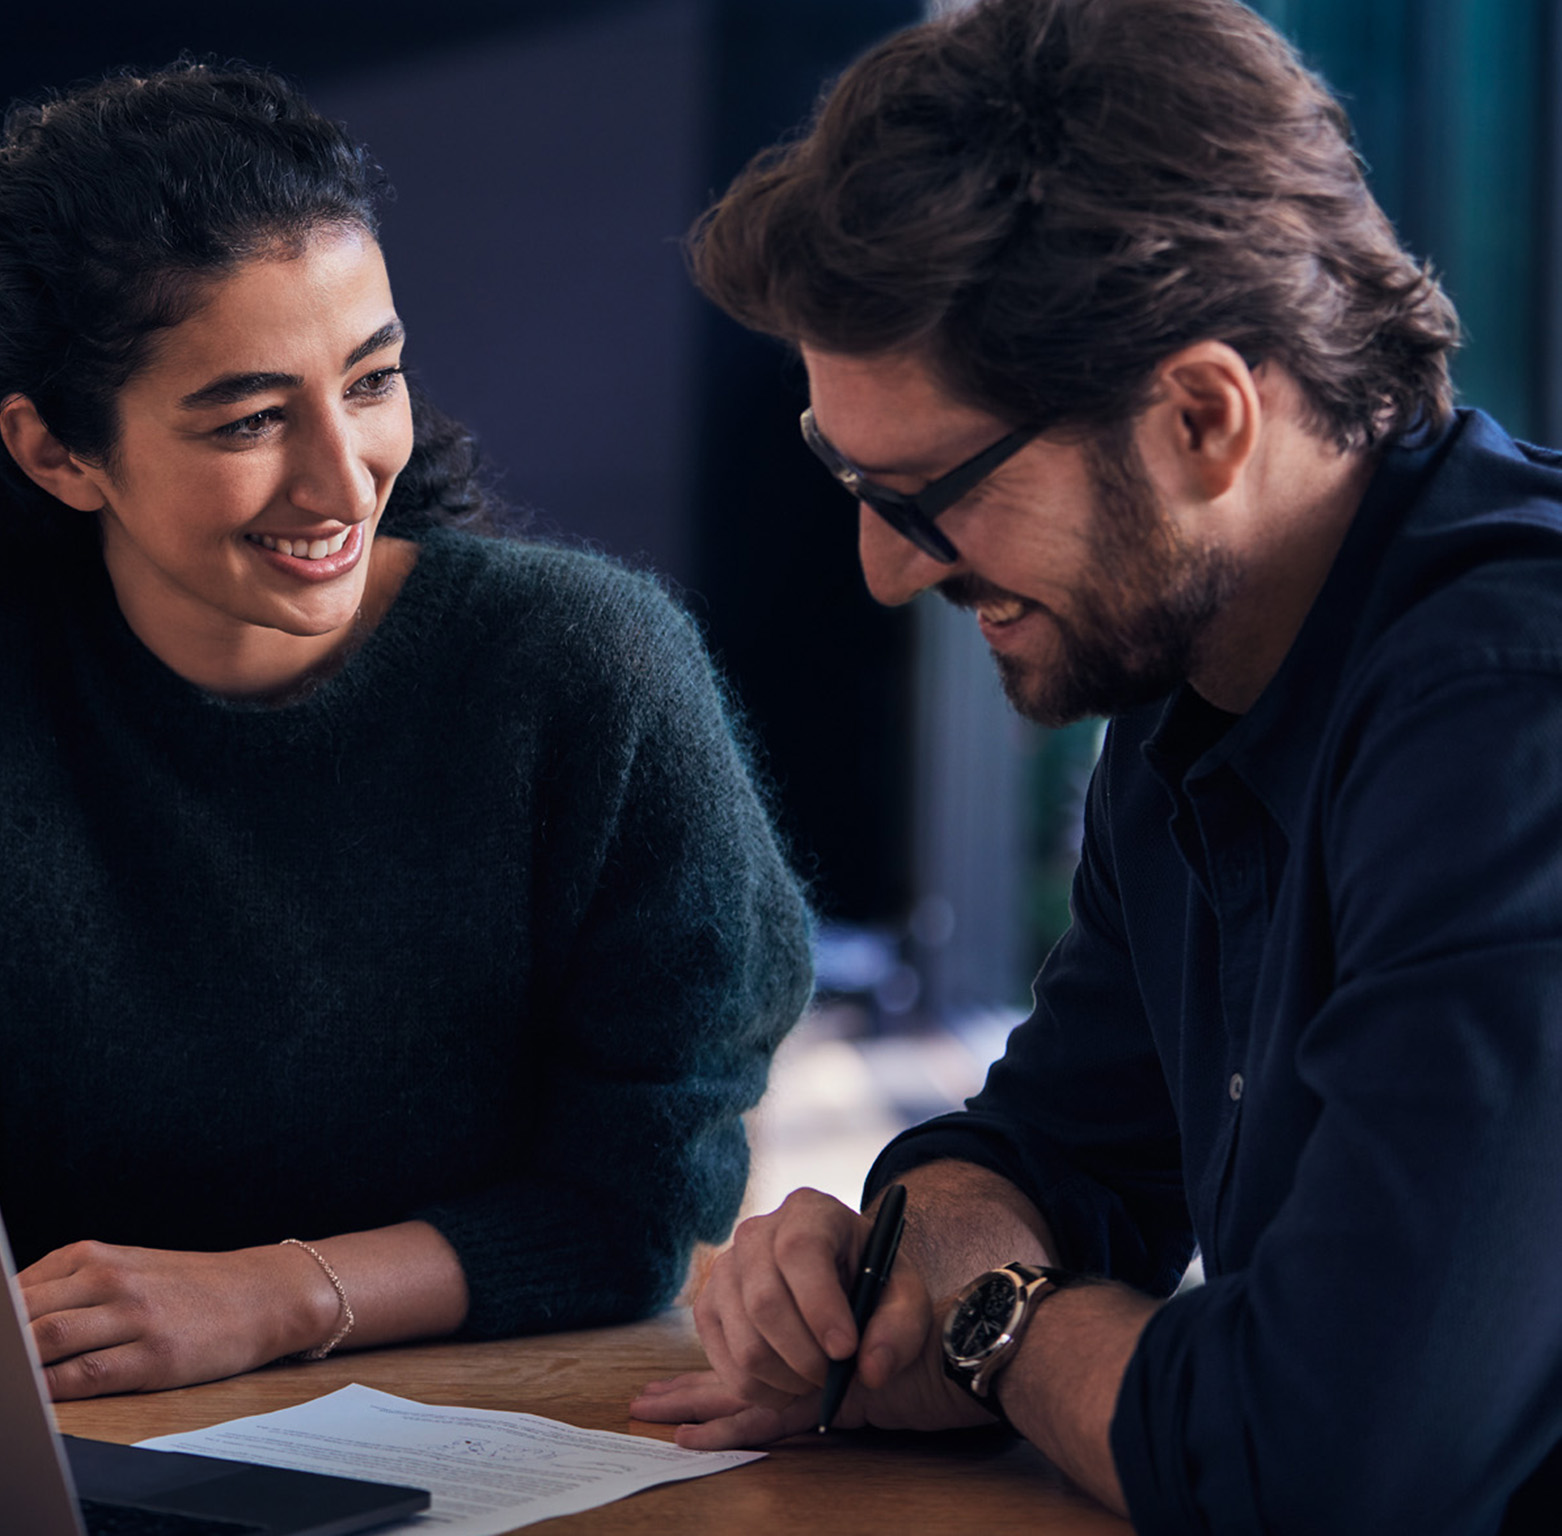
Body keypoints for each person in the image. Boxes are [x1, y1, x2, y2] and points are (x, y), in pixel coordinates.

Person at [626, 0, 1562, 1530]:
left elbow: (1314, 1470)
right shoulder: (1200, 685)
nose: (879, 569)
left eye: (926, 492)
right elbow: (1038, 1155)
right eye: (846, 481)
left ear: (1201, 416)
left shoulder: (1511, 715)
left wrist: (989, 1316)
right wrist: (902, 1265)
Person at [0, 63, 813, 1402]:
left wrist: (272, 1297)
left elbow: (637, 1207)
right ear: (55, 454)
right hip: (67, 1412)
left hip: (498, 1411)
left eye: (371, 381)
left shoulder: (589, 671)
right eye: (251, 419)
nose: (341, 474)